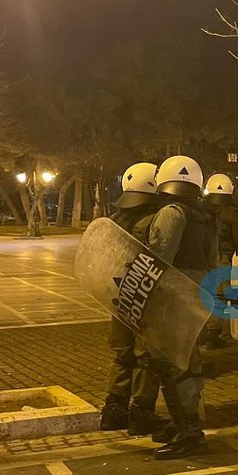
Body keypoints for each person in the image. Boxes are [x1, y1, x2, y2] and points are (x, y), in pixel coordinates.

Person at [146, 155, 220, 460]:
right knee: (189, 363)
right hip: (199, 290)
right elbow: (212, 259)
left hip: (174, 294)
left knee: (174, 365)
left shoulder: (171, 213)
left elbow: (158, 257)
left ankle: (190, 434)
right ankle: (183, 425)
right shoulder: (205, 216)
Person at [100, 162, 169, 436]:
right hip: (146, 299)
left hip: (119, 298)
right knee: (146, 357)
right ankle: (142, 412)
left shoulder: (114, 221)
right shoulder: (154, 221)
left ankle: (114, 409)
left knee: (122, 354)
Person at [202, 173, 238, 351]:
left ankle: (201, 333)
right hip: (222, 259)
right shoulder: (232, 212)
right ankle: (212, 335)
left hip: (201, 259)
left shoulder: (200, 210)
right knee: (219, 296)